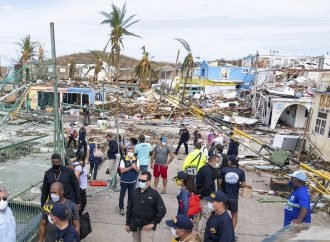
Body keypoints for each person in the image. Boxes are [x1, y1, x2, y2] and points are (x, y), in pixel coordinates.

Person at [126, 171, 166, 242]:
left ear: (149, 181)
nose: (140, 182)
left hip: (146, 227)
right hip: (135, 226)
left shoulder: (154, 194)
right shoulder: (134, 192)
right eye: (139, 180)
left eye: (143, 180)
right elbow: (129, 208)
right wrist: (127, 223)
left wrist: (153, 223)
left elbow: (162, 210)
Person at [218, 155, 245, 230]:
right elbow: (243, 185)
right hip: (233, 197)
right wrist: (236, 185)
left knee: (221, 214)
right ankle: (230, 233)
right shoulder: (241, 172)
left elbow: (219, 183)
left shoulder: (224, 170)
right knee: (234, 215)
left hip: (224, 197)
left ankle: (221, 231)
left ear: (230, 162)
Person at [195, 155, 220, 235]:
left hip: (200, 196)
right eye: (216, 162)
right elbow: (208, 186)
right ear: (213, 161)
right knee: (207, 216)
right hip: (206, 198)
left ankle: (195, 232)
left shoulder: (203, 168)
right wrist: (211, 198)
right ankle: (204, 233)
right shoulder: (208, 171)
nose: (217, 164)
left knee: (198, 216)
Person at [119, 146, 140, 216]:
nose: (130, 153)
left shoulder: (136, 160)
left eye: (132, 151)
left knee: (131, 196)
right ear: (127, 152)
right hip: (124, 181)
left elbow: (138, 170)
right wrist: (130, 167)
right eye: (129, 151)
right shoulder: (123, 160)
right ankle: (121, 208)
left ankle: (129, 208)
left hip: (132, 181)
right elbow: (122, 170)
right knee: (122, 195)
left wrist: (135, 167)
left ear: (134, 153)